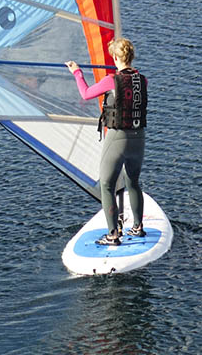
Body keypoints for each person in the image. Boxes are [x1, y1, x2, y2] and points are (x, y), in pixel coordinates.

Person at [65, 38, 148, 246]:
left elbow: (85, 94)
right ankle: (138, 227)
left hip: (117, 138)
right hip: (139, 139)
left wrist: (77, 72)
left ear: (115, 58)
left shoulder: (111, 80)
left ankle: (113, 235)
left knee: (107, 185)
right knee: (133, 182)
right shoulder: (143, 80)